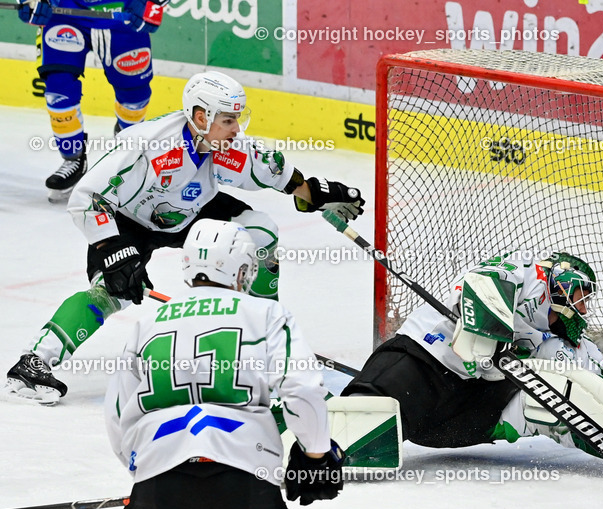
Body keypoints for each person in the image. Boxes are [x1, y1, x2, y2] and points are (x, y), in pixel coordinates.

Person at [4, 70, 365, 405]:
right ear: (201, 116)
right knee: (111, 292)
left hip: (194, 212)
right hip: (128, 223)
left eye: (237, 118)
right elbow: (87, 196)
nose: (236, 128)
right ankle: (34, 364)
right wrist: (112, 248)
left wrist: (315, 192)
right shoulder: (146, 144)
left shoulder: (229, 146)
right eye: (228, 120)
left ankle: (261, 328)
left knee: (261, 232)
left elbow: (278, 174)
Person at [100, 219, 343, 509]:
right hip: (245, 486)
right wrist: (315, 454)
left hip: (160, 488)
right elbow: (303, 390)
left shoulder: (145, 322)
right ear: (241, 271)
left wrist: (148, 467)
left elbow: (117, 413)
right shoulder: (266, 314)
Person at [342, 251, 603, 463]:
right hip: (424, 365)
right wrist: (488, 337)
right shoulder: (524, 276)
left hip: (468, 416)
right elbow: (482, 282)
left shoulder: (557, 342)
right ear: (557, 284)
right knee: (358, 427)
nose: (583, 307)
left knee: (548, 404)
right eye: (579, 294)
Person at [17, 0, 170, 201]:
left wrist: (154, 2)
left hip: (121, 14)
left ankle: (127, 145)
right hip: (65, 12)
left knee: (135, 98)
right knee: (58, 90)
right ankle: (73, 159)